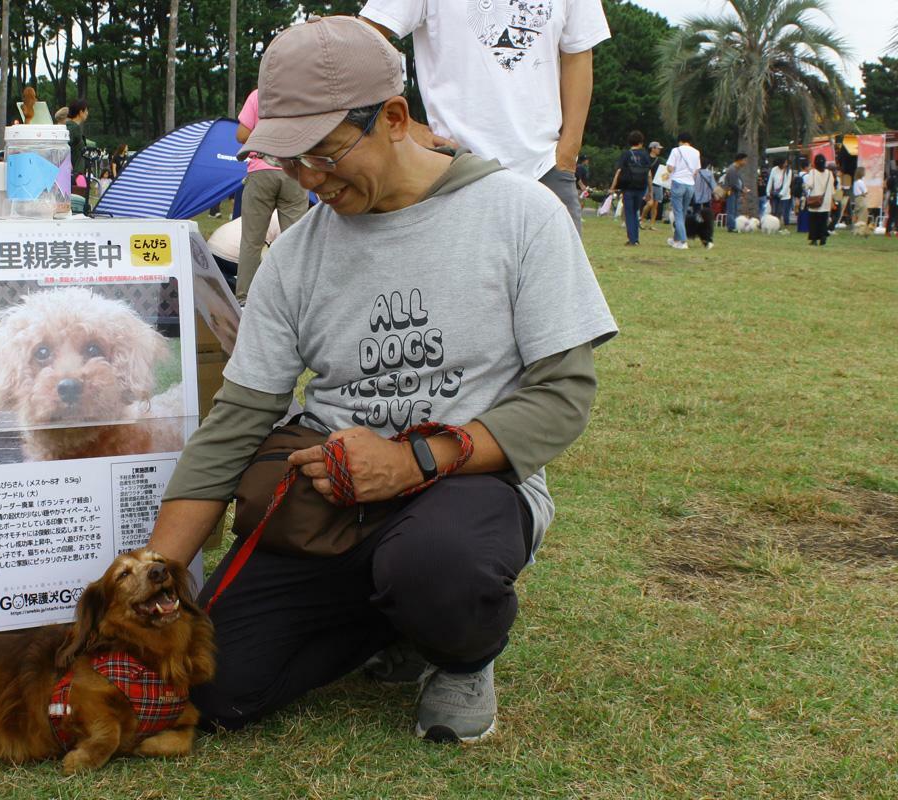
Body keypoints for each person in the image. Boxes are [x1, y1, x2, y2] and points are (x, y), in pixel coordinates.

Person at [147, 16, 617, 744]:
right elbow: (239, 419)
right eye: (291, 162)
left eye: (325, 154)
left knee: (437, 566)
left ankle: (460, 654)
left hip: (470, 487)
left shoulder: (521, 215)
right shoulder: (297, 256)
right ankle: (391, 623)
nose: (309, 181)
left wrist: (411, 459)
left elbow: (563, 396)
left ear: (394, 118)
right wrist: (157, 573)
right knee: (211, 685)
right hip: (334, 508)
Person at [359, 0, 611, 234]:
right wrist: (405, 125)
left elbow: (578, 55)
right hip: (452, 169)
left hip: (545, 169)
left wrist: (567, 153)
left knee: (560, 281)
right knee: (454, 280)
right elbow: (361, 40)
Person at [233, 88, 310, 303]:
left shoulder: (258, 95)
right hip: (294, 171)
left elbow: (241, 135)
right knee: (296, 240)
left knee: (252, 240)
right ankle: (296, 297)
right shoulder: (301, 95)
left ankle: (244, 299)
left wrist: (264, 138)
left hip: (261, 171)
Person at [608, 130, 650, 246]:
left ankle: (632, 239)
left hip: (628, 188)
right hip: (641, 187)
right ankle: (635, 238)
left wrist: (612, 187)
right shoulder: (645, 155)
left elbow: (619, 171)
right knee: (635, 212)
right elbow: (649, 174)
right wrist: (650, 190)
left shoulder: (626, 154)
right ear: (641, 142)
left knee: (629, 213)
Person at [663, 132, 700, 250]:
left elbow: (670, 167)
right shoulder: (696, 152)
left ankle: (683, 241)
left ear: (680, 141)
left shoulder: (676, 151)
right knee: (682, 213)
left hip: (678, 183)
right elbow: (696, 171)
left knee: (677, 213)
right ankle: (676, 240)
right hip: (690, 184)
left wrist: (670, 172)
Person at [806, 153, 835, 246]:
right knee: (823, 221)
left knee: (814, 221)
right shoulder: (830, 173)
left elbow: (809, 185)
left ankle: (814, 239)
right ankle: (823, 238)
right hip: (826, 201)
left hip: (815, 200)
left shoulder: (813, 172)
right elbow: (832, 188)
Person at [690, 155, 717, 250]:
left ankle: (695, 227)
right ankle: (706, 227)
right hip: (707, 197)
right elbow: (714, 186)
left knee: (696, 213)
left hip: (696, 196)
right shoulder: (709, 174)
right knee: (707, 216)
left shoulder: (695, 173)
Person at [64, 99, 89, 187]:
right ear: (80, 112)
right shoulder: (74, 128)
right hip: (75, 175)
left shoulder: (70, 126)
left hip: (74, 174)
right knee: (79, 199)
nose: (87, 113)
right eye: (86, 110)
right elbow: (65, 147)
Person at [641, 141, 663, 229]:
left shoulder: (659, 160)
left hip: (658, 184)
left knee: (655, 205)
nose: (659, 150)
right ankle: (642, 219)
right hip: (647, 184)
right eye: (658, 148)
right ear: (652, 148)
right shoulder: (646, 158)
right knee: (649, 203)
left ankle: (652, 224)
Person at [723, 153, 747, 231]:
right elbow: (733, 184)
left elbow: (738, 181)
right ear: (739, 160)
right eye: (744, 160)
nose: (745, 162)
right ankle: (731, 226)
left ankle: (735, 225)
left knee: (735, 209)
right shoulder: (732, 169)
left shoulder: (737, 168)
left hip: (735, 192)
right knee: (731, 210)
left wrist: (743, 187)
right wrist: (741, 189)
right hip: (731, 192)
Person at [765, 157, 792, 225]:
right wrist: (768, 192)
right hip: (775, 194)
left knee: (782, 212)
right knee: (774, 211)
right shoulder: (774, 169)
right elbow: (770, 181)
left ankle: (784, 224)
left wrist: (781, 193)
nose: (786, 164)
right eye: (784, 163)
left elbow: (787, 184)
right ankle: (775, 224)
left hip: (785, 196)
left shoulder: (788, 171)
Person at [885, 166, 898, 237]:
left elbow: (888, 186)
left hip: (892, 197)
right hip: (896, 197)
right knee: (897, 215)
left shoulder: (891, 177)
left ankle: (888, 232)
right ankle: (896, 232)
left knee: (891, 215)